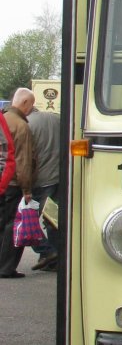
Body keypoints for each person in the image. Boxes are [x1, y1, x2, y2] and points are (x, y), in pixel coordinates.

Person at [0, 88, 38, 279]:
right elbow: (23, 160)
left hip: (2, 181)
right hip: (14, 184)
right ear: (25, 103)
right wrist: (27, 189)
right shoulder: (21, 126)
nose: (32, 109)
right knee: (11, 226)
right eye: (31, 104)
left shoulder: (3, 119)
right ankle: (6, 267)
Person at [27, 106, 60, 272]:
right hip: (59, 177)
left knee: (28, 220)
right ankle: (55, 257)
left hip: (40, 180)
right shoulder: (57, 119)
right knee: (52, 217)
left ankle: (46, 250)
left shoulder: (28, 123)